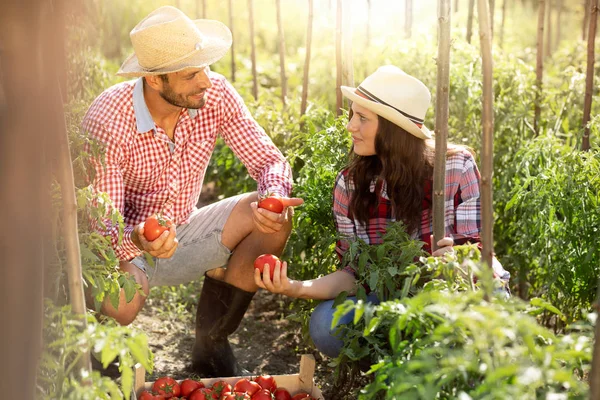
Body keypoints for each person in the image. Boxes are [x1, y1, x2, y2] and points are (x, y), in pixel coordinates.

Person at [82, 6, 303, 377]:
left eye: (204, 67)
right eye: (191, 74)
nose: (205, 81)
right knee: (121, 304)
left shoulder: (214, 94)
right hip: (127, 248)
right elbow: (101, 235)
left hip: (185, 230)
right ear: (155, 81)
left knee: (275, 219)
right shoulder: (110, 119)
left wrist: (274, 195)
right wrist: (139, 238)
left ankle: (212, 342)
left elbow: (269, 160)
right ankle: (102, 348)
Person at [254, 65, 510, 358]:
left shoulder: (455, 168)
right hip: (393, 301)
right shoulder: (349, 185)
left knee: (479, 319)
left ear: (394, 130)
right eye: (353, 114)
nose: (350, 125)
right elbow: (354, 275)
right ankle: (388, 372)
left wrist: (458, 259)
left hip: (458, 296)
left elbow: (476, 254)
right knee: (327, 324)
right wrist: (294, 287)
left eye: (362, 118)